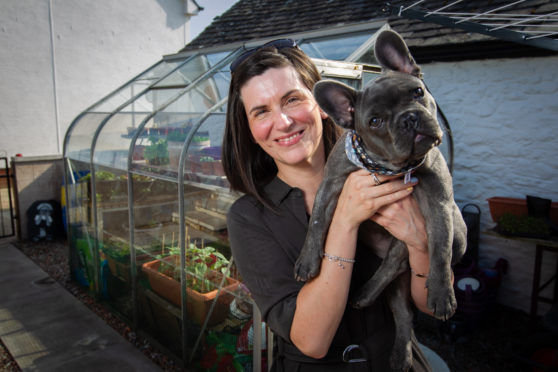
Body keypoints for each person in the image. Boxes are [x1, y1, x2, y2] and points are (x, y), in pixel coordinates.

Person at [222, 39, 435, 371]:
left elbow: (433, 305)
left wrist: (420, 241)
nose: (283, 122)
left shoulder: (386, 174)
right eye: (261, 111)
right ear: (249, 130)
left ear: (323, 105)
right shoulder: (249, 218)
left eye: (292, 100)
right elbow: (312, 340)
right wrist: (345, 219)